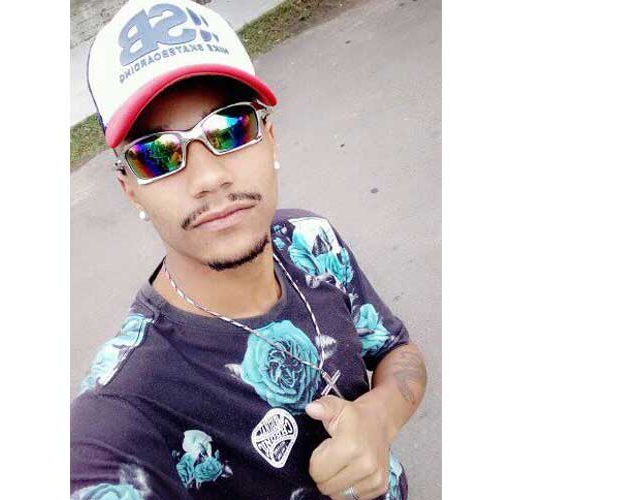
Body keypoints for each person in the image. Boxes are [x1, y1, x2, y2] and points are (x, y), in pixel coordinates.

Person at [71, 1, 428, 499]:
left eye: (231, 129)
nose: (209, 177)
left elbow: (395, 350)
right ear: (131, 190)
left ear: (270, 140)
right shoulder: (123, 407)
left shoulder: (309, 241)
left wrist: (379, 417)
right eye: (157, 154)